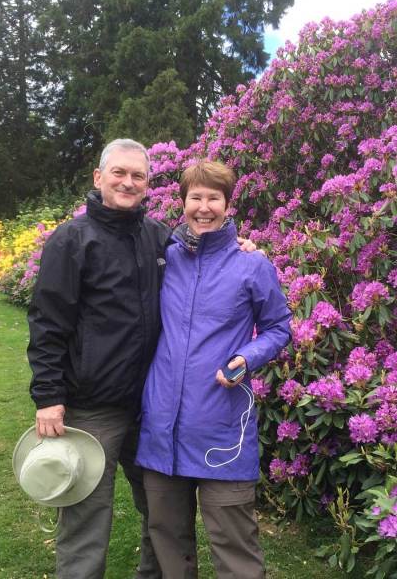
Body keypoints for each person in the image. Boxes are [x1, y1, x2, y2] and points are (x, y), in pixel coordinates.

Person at [27, 139, 255, 578]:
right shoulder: (72, 240)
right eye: (119, 173)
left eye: (138, 176)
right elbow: (48, 322)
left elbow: (203, 252)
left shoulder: (157, 236)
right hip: (92, 406)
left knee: (158, 511)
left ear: (148, 185)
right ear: (99, 178)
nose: (128, 182)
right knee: (86, 515)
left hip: (152, 407)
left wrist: (237, 245)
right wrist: (48, 395)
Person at [135, 160, 292, 579]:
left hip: (222, 429)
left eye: (213, 198)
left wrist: (246, 359)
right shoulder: (165, 259)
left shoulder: (251, 264)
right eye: (195, 197)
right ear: (182, 201)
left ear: (227, 203)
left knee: (234, 545)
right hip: (161, 426)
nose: (203, 207)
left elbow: (279, 327)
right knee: (167, 538)